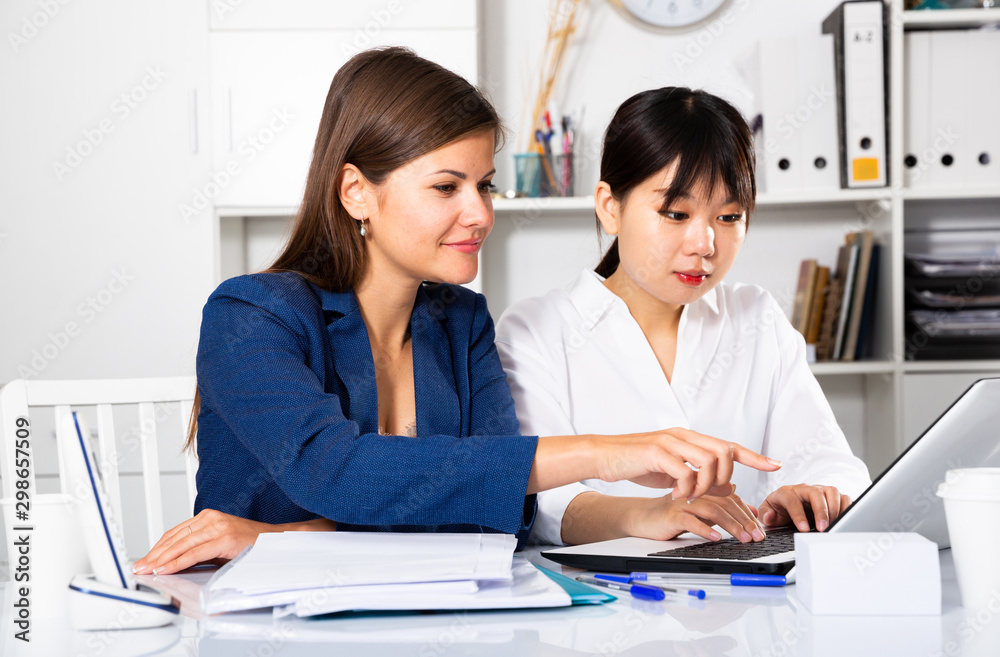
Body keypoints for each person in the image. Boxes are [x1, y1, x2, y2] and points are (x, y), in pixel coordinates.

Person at [134, 51, 780, 576]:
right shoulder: (250, 314)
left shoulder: (461, 321)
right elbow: (336, 469)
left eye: (485, 184)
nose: (480, 213)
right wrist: (605, 453)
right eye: (447, 186)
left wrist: (286, 537)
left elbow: (497, 518)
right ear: (357, 191)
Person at [495, 87, 872, 547]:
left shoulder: (755, 316)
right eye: (676, 213)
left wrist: (813, 495)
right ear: (609, 207)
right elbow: (539, 500)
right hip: (603, 602)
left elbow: (829, 460)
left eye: (730, 216)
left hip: (751, 599)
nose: (705, 243)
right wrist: (646, 514)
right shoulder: (535, 330)